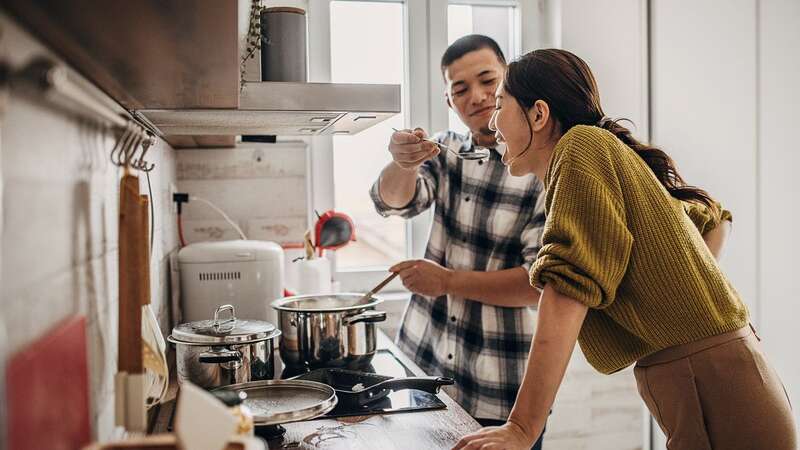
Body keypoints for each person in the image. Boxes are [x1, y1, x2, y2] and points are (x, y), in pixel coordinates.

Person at [453, 48, 797, 450]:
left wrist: (522, 428)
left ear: (538, 114)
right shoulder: (594, 154)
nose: (492, 123)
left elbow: (566, 289)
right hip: (722, 379)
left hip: (714, 382)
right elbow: (712, 217)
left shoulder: (581, 147)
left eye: (499, 105)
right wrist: (679, 295)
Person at [369, 35, 547, 448]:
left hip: (500, 383)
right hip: (423, 368)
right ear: (450, 102)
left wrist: (448, 281)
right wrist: (402, 162)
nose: (478, 97)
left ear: (510, 83)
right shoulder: (445, 148)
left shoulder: (541, 170)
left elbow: (537, 285)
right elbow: (394, 203)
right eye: (460, 89)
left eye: (488, 82)